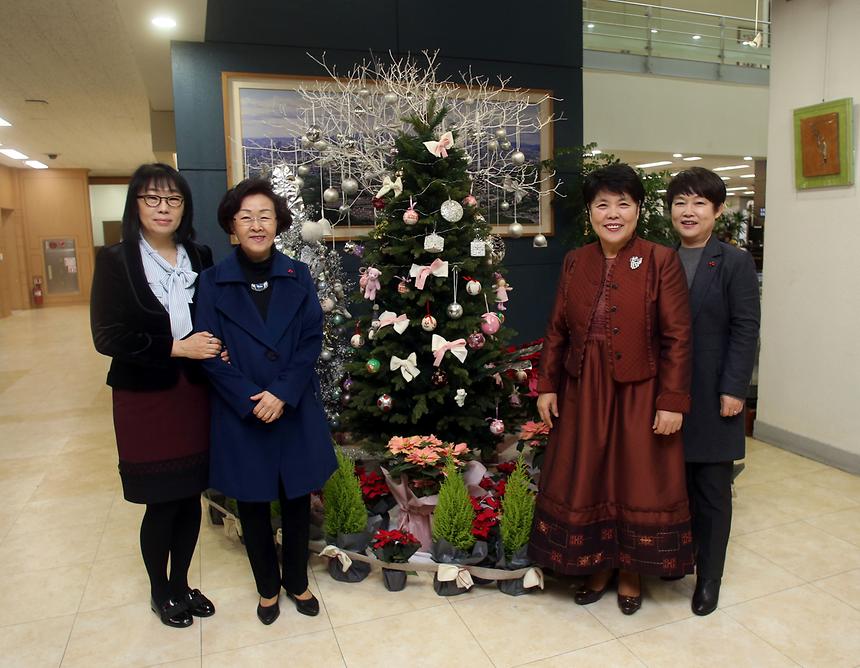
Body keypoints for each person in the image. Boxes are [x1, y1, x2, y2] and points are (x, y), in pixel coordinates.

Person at [529, 163, 694, 615]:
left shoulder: (661, 259)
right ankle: (595, 565)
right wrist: (548, 386)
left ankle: (631, 572)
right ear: (590, 213)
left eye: (624, 204)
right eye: (603, 205)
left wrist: (672, 401)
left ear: (638, 210)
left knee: (635, 477)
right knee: (590, 474)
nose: (614, 213)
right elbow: (557, 330)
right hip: (585, 386)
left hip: (641, 387)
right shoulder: (575, 260)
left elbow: (678, 336)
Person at [194, 178, 337, 625]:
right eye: (246, 217)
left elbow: (311, 339)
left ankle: (296, 581)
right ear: (231, 225)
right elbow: (208, 351)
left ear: (278, 223)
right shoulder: (212, 282)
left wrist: (282, 392)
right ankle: (266, 589)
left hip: (290, 407)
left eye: (265, 216)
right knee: (252, 504)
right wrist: (250, 397)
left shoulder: (299, 273)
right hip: (244, 411)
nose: (257, 225)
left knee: (296, 501)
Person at [91, 163, 217, 628]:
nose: (163, 208)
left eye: (173, 199)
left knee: (189, 497)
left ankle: (182, 583)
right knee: (162, 499)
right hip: (145, 397)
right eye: (152, 198)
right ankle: (160, 590)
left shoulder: (199, 255)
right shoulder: (115, 259)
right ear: (136, 204)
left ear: (184, 207)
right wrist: (175, 347)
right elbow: (107, 336)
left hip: (194, 393)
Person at [667, 167, 760, 615]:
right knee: (673, 485)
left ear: (718, 210)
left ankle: (709, 579)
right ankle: (677, 559)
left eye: (699, 203)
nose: (689, 211)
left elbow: (746, 329)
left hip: (714, 394)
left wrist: (735, 389)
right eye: (681, 202)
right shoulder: (658, 259)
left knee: (712, 491)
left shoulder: (735, 262)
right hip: (666, 397)